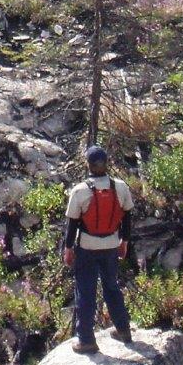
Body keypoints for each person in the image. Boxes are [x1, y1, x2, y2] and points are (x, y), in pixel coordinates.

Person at [63, 144, 134, 353]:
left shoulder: (80, 190)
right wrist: (125, 242)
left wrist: (68, 249)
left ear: (89, 165)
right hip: (112, 244)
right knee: (111, 286)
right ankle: (123, 329)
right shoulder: (120, 187)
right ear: (105, 164)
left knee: (85, 291)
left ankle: (86, 340)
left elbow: (72, 224)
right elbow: (127, 217)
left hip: (87, 247)